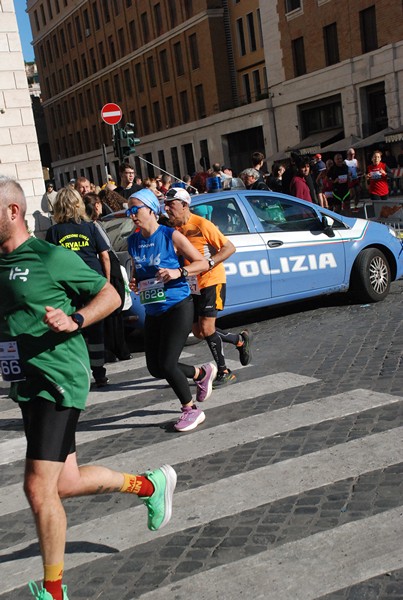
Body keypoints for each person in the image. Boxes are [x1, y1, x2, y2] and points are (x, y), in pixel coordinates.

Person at [0, 176, 176, 600]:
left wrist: (74, 320)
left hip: (57, 378)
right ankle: (150, 485)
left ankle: (54, 592)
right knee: (65, 483)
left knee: (37, 487)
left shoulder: (48, 256)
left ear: (12, 212)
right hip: (27, 382)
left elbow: (112, 296)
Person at [126, 188, 212, 432]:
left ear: (151, 209)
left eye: (136, 209)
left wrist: (179, 272)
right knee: (155, 368)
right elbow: (139, 271)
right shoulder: (133, 241)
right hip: (153, 309)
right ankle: (200, 373)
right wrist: (135, 281)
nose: (132, 215)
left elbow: (202, 262)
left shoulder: (170, 235)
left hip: (177, 305)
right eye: (129, 211)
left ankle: (191, 410)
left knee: (167, 363)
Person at [165, 187, 253, 388]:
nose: (167, 209)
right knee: (198, 332)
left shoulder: (202, 224)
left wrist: (210, 263)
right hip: (193, 283)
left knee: (206, 328)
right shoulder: (174, 229)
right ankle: (239, 340)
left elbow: (229, 247)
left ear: (185, 205)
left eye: (171, 205)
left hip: (212, 280)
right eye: (166, 205)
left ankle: (224, 371)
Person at [45, 187, 110, 387]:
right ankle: (99, 374)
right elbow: (104, 255)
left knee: (73, 329)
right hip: (93, 283)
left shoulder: (54, 232)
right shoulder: (90, 227)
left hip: (68, 286)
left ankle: (78, 373)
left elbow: (48, 262)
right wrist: (106, 283)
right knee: (95, 329)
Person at [83, 192, 132, 362]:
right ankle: (118, 349)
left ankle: (114, 348)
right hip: (109, 267)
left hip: (103, 268)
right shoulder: (93, 225)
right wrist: (109, 278)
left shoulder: (88, 225)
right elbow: (105, 253)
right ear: (96, 205)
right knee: (114, 311)